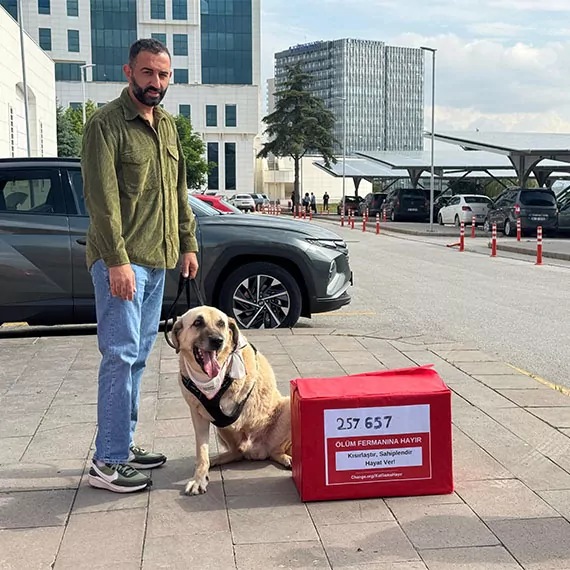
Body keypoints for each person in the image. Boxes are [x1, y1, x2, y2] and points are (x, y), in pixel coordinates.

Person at [81, 38, 199, 493]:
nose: (156, 82)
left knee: (137, 357)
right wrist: (117, 261)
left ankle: (121, 444)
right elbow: (102, 201)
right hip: (123, 263)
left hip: (159, 259)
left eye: (164, 74)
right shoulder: (105, 126)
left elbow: (178, 192)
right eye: (148, 73)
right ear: (128, 72)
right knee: (119, 355)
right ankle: (106, 463)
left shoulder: (168, 126)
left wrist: (187, 244)